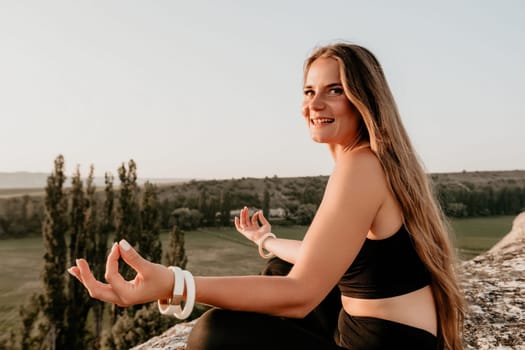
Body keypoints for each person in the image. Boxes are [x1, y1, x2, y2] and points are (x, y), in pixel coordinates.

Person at [68, 42, 465, 349]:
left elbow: (301, 296)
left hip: (383, 344)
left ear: (364, 101)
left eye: (334, 90)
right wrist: (266, 241)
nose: (315, 104)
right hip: (379, 331)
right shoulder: (373, 160)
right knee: (278, 268)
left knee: (214, 334)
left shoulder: (361, 166)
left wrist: (175, 283)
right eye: (309, 91)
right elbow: (322, 256)